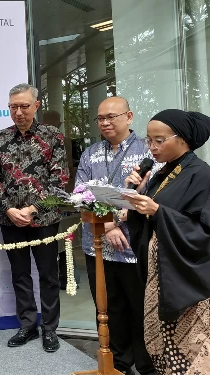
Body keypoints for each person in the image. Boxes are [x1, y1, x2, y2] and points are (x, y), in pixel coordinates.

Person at [124, 109, 210, 374]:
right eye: (149, 140)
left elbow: (204, 231)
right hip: (161, 270)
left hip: (185, 276)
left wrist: (158, 212)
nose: (152, 147)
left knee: (189, 350)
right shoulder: (163, 173)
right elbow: (146, 216)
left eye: (159, 140)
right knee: (163, 342)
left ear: (182, 139)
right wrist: (134, 192)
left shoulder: (201, 175)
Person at [76, 97, 156, 375]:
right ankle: (119, 362)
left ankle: (147, 364)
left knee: (141, 307)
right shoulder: (90, 154)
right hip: (97, 246)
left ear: (129, 116)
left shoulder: (148, 152)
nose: (105, 123)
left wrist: (121, 219)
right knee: (110, 307)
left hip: (136, 247)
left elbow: (153, 194)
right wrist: (108, 226)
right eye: (100, 118)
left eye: (111, 116)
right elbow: (80, 193)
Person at [0, 83, 69, 353]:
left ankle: (49, 329)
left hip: (44, 219)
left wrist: (33, 209)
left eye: (24, 106)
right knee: (20, 274)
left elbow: (60, 181)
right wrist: (9, 208)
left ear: (36, 106)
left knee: (48, 275)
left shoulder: (52, 136)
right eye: (14, 106)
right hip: (10, 219)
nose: (19, 112)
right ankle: (27, 325)